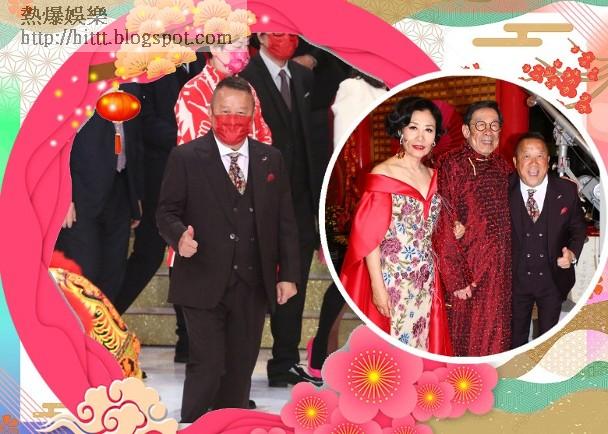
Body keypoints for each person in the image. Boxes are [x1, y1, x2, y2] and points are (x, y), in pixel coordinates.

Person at [156, 76, 300, 422]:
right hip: (201, 278)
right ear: (211, 113)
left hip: (252, 283)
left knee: (240, 367)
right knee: (207, 364)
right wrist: (180, 237)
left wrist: (289, 275)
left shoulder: (270, 159)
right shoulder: (186, 156)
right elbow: (166, 212)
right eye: (225, 111)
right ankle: (192, 425)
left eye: (241, 112)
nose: (232, 119)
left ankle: (230, 424)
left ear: (252, 115)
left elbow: (285, 221)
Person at [240, 33, 328, 386]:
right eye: (277, 32)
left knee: (295, 279)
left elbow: (311, 139)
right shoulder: (245, 77)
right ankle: (238, 364)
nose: (286, 39)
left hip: (301, 197)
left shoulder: (303, 76)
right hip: (259, 197)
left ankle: (285, 362)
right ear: (261, 35)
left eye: (291, 33)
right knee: (251, 281)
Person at [340, 96, 455, 354]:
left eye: (429, 130)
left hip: (426, 279)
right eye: (413, 127)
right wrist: (377, 287)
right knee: (394, 348)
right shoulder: (384, 175)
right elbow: (369, 238)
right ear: (401, 130)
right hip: (393, 278)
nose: (420, 137)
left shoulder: (434, 175)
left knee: (422, 343)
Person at [113, 55, 206, 340]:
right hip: (157, 176)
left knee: (189, 253)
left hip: (197, 174)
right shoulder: (151, 62)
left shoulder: (202, 63)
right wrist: (188, 138)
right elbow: (143, 121)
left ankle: (187, 338)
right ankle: (104, 320)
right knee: (149, 254)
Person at [434, 100, 512, 357]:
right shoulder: (451, 164)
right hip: (469, 274)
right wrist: (456, 278)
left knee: (497, 341)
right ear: (466, 131)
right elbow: (442, 222)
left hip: (501, 275)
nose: (488, 132)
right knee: (465, 343)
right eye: (480, 125)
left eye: (494, 125)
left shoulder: (503, 167)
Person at [56, 83, 143, 303]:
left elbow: (135, 138)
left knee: (113, 275)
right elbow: (55, 138)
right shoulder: (72, 79)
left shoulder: (132, 79)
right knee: (83, 274)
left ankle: (101, 326)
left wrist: (135, 195)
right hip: (80, 194)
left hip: (120, 188)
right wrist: (62, 193)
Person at [510, 132, 587, 348]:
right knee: (515, 341)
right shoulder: (504, 189)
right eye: (527, 156)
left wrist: (572, 253)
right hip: (515, 281)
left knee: (548, 343)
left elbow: (578, 228)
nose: (533, 163)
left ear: (548, 160)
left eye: (540, 156)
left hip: (552, 280)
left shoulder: (567, 190)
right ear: (515, 161)